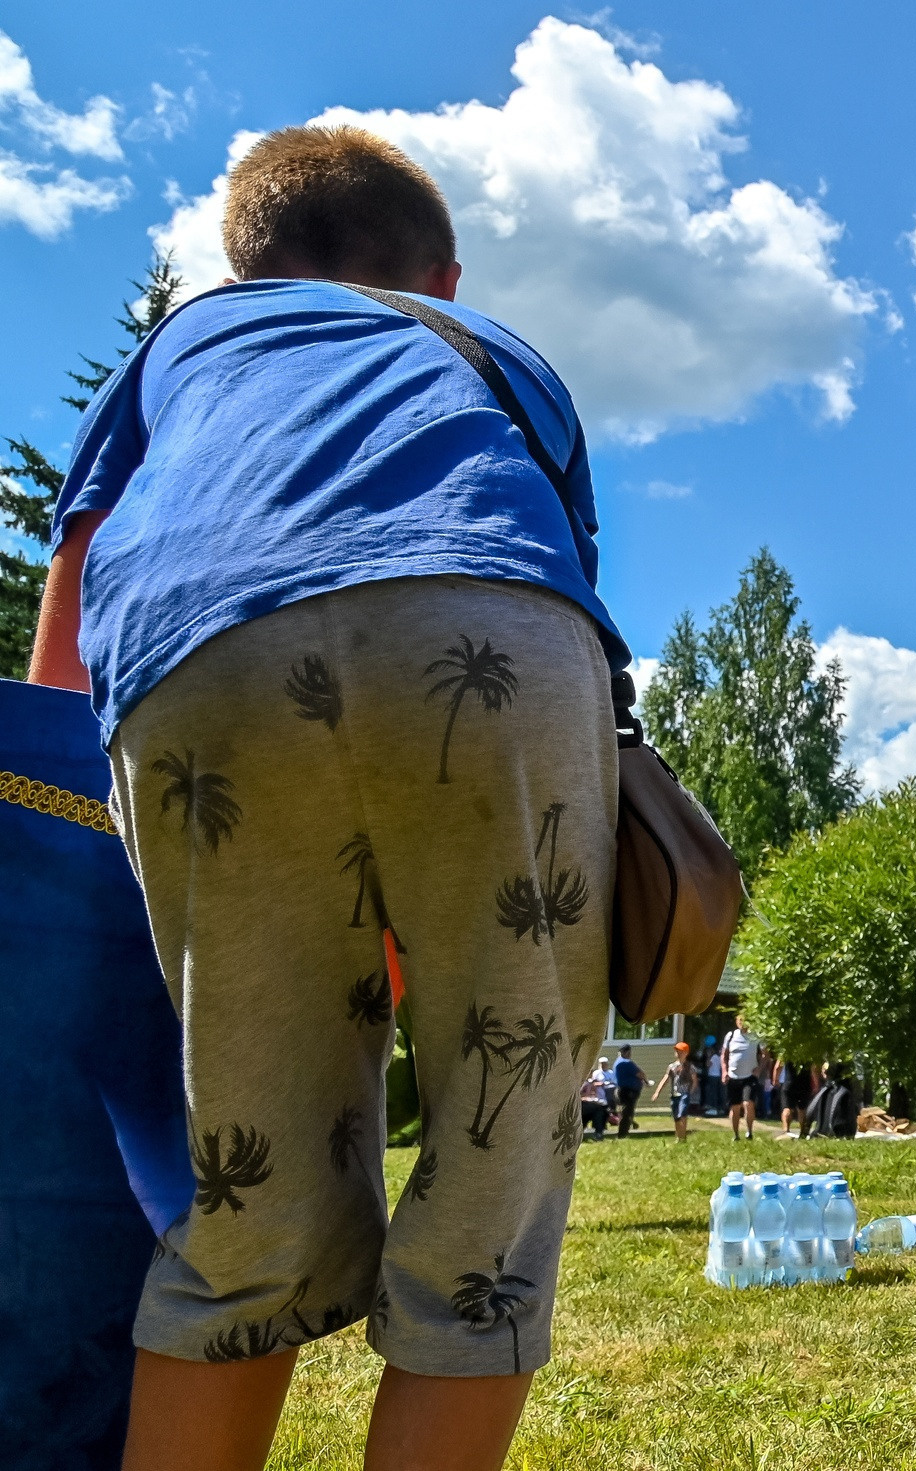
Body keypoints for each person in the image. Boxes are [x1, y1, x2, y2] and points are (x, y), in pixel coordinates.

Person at [28, 125, 626, 1469]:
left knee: (249, 1187)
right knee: (494, 1185)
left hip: (201, 655)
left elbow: (62, 655)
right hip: (487, 631)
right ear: (445, 276)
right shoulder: (501, 355)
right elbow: (554, 583)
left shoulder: (179, 349)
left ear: (242, 266)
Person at [721, 1022, 763, 1141]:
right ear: (736, 1021)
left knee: (748, 1103)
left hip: (749, 1076)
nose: (742, 1023)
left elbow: (765, 1054)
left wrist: (759, 1069)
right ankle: (736, 1135)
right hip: (733, 1077)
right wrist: (724, 1071)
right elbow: (724, 1055)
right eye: (740, 1020)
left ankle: (749, 1132)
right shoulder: (730, 1035)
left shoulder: (755, 1035)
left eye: (744, 1020)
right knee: (735, 1107)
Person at [650, 1042, 698, 1142]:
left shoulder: (690, 1067)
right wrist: (657, 1092)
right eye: (676, 1051)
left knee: (682, 1115)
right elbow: (665, 1080)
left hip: (684, 1094)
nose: (678, 1053)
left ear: (686, 1053)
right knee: (676, 1117)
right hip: (674, 1094)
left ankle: (683, 1137)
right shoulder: (672, 1066)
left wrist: (690, 1092)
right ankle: (678, 1137)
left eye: (680, 1051)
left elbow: (694, 1080)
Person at [611, 1045, 645, 1140]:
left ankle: (628, 1127)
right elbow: (640, 1074)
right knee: (627, 1112)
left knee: (626, 1111)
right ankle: (622, 1134)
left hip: (621, 1090)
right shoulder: (626, 1062)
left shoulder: (617, 1062)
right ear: (627, 1052)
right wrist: (646, 1081)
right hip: (628, 1091)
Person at [580, 1060, 614, 1142]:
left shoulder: (591, 1083)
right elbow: (579, 1096)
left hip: (590, 1105)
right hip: (581, 1105)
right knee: (598, 1110)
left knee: (602, 1109)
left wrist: (593, 1098)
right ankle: (598, 1132)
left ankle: (599, 1131)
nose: (590, 1075)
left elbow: (593, 1094)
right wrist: (587, 1098)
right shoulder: (582, 1083)